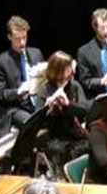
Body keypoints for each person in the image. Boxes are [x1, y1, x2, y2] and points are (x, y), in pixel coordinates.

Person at [33, 50, 91, 179]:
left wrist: (68, 104)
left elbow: (85, 109)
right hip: (54, 135)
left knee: (90, 144)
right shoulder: (45, 89)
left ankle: (84, 178)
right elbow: (38, 121)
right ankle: (64, 178)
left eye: (70, 67)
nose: (71, 71)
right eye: (67, 68)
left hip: (74, 132)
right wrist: (48, 109)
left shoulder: (75, 86)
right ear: (57, 70)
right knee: (61, 150)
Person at [0, 15, 45, 136]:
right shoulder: (1, 61)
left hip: (38, 103)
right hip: (15, 108)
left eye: (24, 37)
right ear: (9, 37)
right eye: (17, 39)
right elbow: (1, 94)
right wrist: (19, 91)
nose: (22, 43)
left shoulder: (36, 53)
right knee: (32, 122)